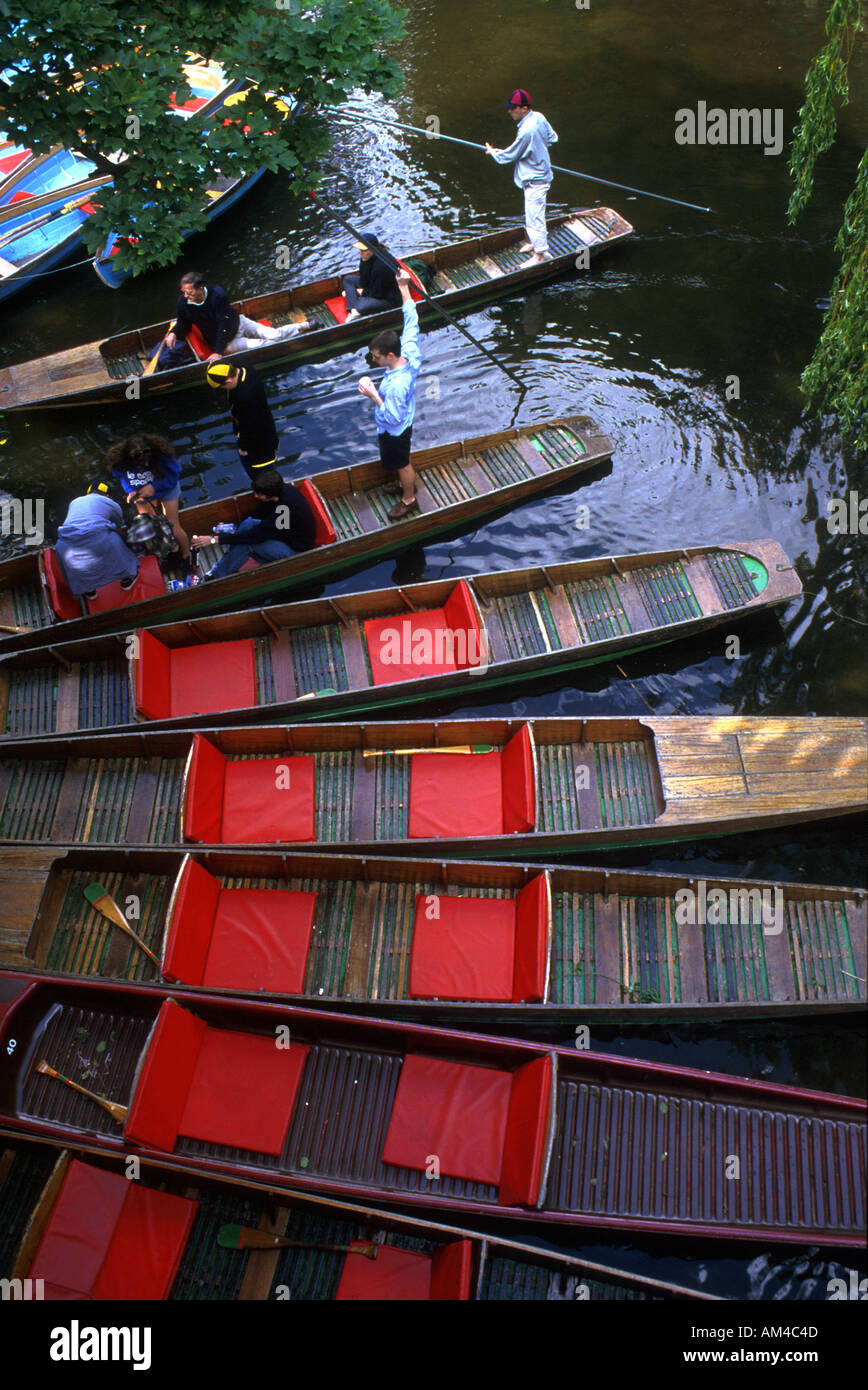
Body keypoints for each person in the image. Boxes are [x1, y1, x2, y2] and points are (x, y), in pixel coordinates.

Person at [357, 273, 422, 522]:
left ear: (391, 356)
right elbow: (412, 319)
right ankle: (403, 484)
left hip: (396, 428)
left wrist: (373, 394)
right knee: (398, 462)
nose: (375, 360)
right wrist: (403, 287)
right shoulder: (409, 350)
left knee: (403, 463)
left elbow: (393, 418)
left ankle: (409, 498)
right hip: (403, 417)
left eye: (377, 357)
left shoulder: (396, 385)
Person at [157, 271, 312, 367]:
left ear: (200, 288)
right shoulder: (183, 302)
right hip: (227, 342)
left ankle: (305, 326)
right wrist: (174, 333)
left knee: (274, 334)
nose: (186, 296)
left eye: (189, 292)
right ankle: (294, 345)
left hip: (238, 322)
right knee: (264, 344)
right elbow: (183, 322)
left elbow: (224, 323)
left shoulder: (217, 295)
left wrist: (216, 353)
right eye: (183, 291)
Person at [192, 469, 316, 578]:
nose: (255, 496)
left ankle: (215, 577)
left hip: (296, 549)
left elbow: (256, 536)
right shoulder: (282, 491)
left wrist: (214, 539)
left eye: (259, 494)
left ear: (270, 494)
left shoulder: (285, 509)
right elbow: (258, 515)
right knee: (248, 523)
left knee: (249, 545)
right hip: (285, 533)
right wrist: (236, 529)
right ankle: (227, 561)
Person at [485, 89, 558, 267]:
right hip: (538, 173)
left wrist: (493, 152)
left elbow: (509, 156)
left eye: (513, 108)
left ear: (524, 108)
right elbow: (552, 138)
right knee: (531, 216)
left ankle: (541, 255)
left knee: (534, 219)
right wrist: (538, 151)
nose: (509, 111)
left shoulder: (527, 130)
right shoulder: (539, 117)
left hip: (536, 180)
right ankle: (535, 243)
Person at [107, 433, 191, 563]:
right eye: (141, 463)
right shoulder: (120, 462)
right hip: (142, 493)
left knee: (173, 526)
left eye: (148, 461)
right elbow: (123, 478)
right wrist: (131, 491)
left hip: (167, 488)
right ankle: (168, 550)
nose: (146, 464)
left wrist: (153, 487)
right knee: (152, 527)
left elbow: (173, 477)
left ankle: (186, 553)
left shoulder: (163, 455)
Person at [54, 480, 139, 600]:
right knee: (115, 539)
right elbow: (119, 526)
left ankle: (89, 591)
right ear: (107, 495)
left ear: (88, 493)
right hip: (98, 538)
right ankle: (127, 578)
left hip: (65, 544)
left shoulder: (75, 502)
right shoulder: (110, 502)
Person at [205, 358, 280, 482]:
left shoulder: (245, 398)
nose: (224, 390)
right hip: (265, 425)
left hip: (259, 442)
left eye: (222, 387)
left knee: (263, 476)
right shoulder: (243, 365)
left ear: (228, 381)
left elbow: (249, 426)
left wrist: (243, 448)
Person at [342, 233, 402, 321]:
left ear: (373, 249)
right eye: (360, 249)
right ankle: (353, 310)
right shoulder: (367, 256)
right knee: (348, 279)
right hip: (374, 285)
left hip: (388, 298)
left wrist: (361, 292)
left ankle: (355, 304)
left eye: (364, 250)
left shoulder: (381, 268)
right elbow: (364, 281)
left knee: (361, 306)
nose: (360, 252)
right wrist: (363, 262)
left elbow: (378, 293)